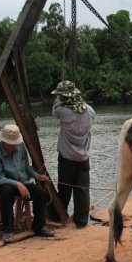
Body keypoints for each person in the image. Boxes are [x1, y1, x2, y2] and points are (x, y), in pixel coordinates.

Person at [0, 124, 54, 243]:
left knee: (39, 191)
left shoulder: (21, 147)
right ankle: (8, 230)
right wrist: (17, 184)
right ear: (4, 142)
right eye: (11, 144)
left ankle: (39, 227)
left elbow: (26, 168)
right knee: (6, 191)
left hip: (22, 182)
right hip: (1, 185)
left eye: (15, 143)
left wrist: (37, 176)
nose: (14, 147)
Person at [51, 80, 95, 228]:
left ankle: (60, 217)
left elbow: (54, 111)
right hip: (83, 157)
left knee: (64, 188)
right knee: (82, 190)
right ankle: (81, 222)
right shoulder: (89, 110)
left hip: (67, 157)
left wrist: (57, 100)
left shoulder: (63, 111)